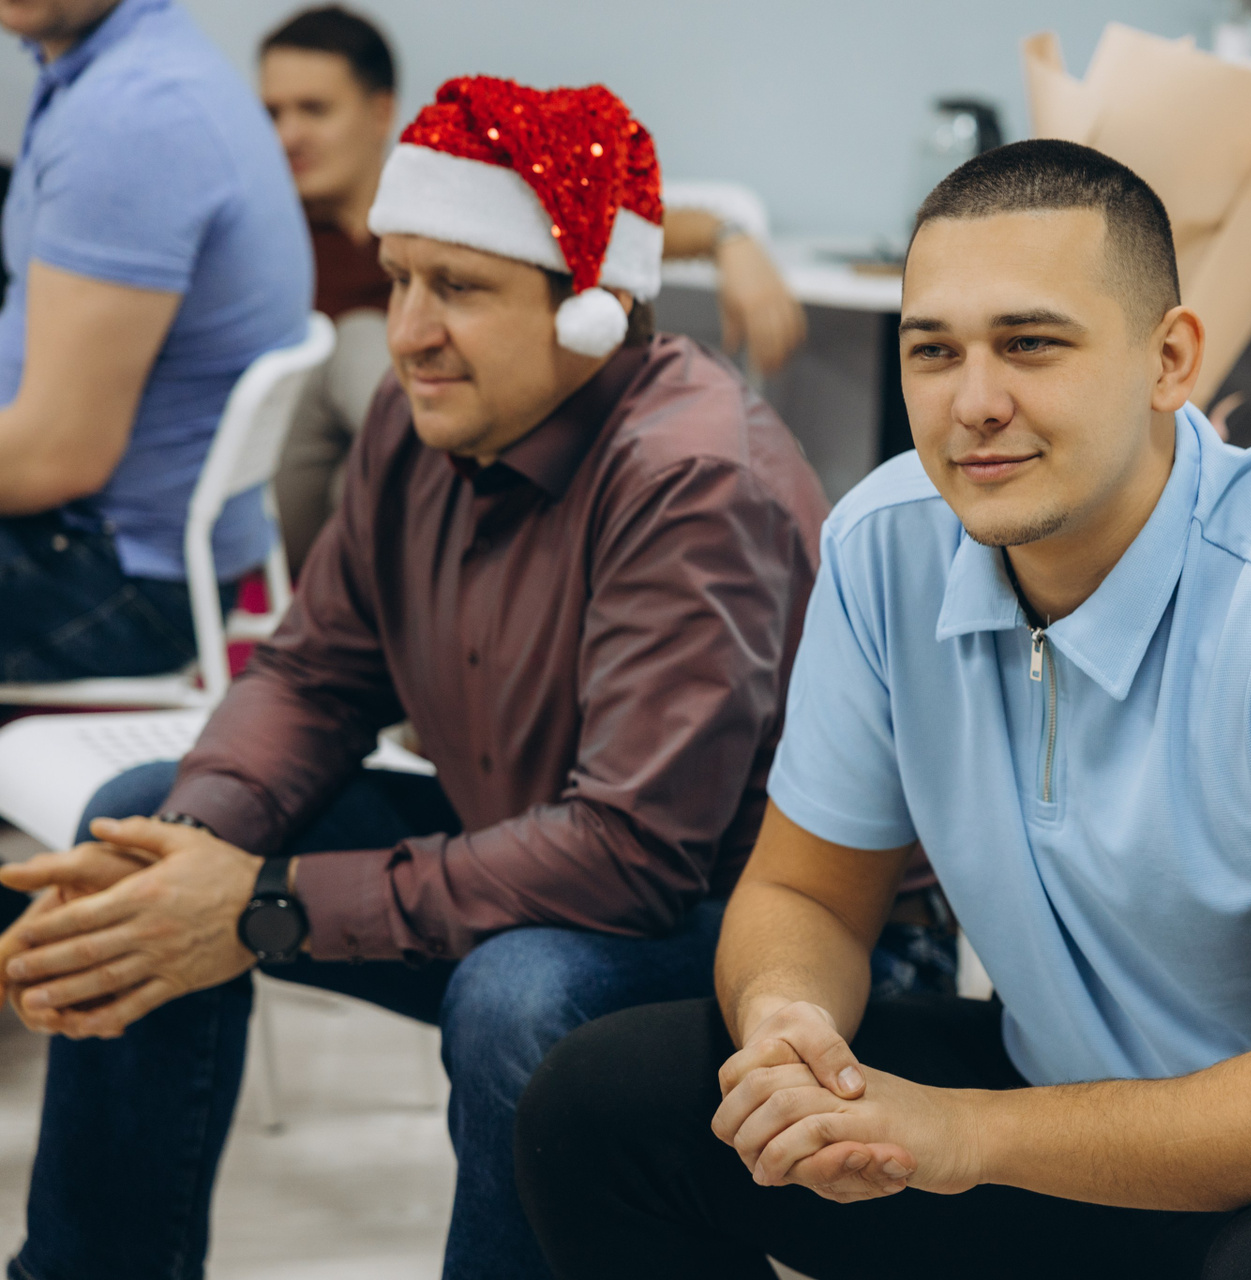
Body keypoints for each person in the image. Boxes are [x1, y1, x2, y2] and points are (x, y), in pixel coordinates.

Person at [515, 140, 1251, 1280]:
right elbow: (804, 894)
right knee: (603, 1107)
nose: (975, 403)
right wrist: (789, 1025)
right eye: (934, 350)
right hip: (1070, 1119)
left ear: (1169, 359)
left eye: (1030, 343)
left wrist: (966, 1134)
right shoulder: (885, 548)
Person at [0, 78, 829, 1280]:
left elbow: (630, 855)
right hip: (539, 850)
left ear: (592, 308)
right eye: (398, 279)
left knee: (517, 993)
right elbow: (314, 675)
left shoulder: (692, 479)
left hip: (759, 928)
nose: (407, 331)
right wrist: (192, 856)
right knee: (143, 830)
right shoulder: (420, 417)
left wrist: (264, 900)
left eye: (461, 287)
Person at [260, 4, 810, 574]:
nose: (287, 136)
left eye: (314, 110)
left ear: (380, 112)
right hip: (317, 479)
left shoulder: (462, 201)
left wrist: (731, 240)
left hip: (419, 472)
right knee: (359, 346)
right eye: (271, 113)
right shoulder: (269, 237)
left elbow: (611, 233)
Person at [0, 0, 309, 681]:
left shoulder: (130, 114)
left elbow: (57, 456)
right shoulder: (133, 69)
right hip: (117, 543)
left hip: (114, 575)